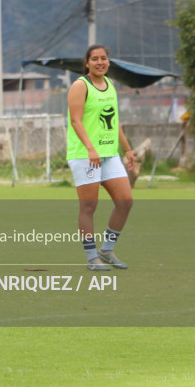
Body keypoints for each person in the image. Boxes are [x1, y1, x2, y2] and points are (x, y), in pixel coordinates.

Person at [66, 44, 135, 271]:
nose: (100, 62)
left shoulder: (110, 85)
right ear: (87, 63)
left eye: (103, 58)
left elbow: (114, 123)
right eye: (94, 59)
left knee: (125, 202)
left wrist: (127, 149)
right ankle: (91, 256)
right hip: (85, 155)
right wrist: (90, 148)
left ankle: (106, 250)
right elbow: (76, 121)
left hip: (109, 154)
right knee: (89, 206)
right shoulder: (80, 86)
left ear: (108, 61)